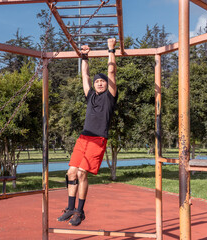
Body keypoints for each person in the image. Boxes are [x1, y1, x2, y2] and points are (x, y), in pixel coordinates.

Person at [57, 38, 118, 226]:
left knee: (83, 172)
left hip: (98, 139)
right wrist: (84, 55)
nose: (100, 83)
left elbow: (111, 71)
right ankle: (69, 208)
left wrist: (111, 49)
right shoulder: (90, 95)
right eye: (97, 81)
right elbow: (84, 75)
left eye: (103, 82)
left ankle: (80, 211)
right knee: (71, 172)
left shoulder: (110, 97)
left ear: (107, 84)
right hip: (83, 138)